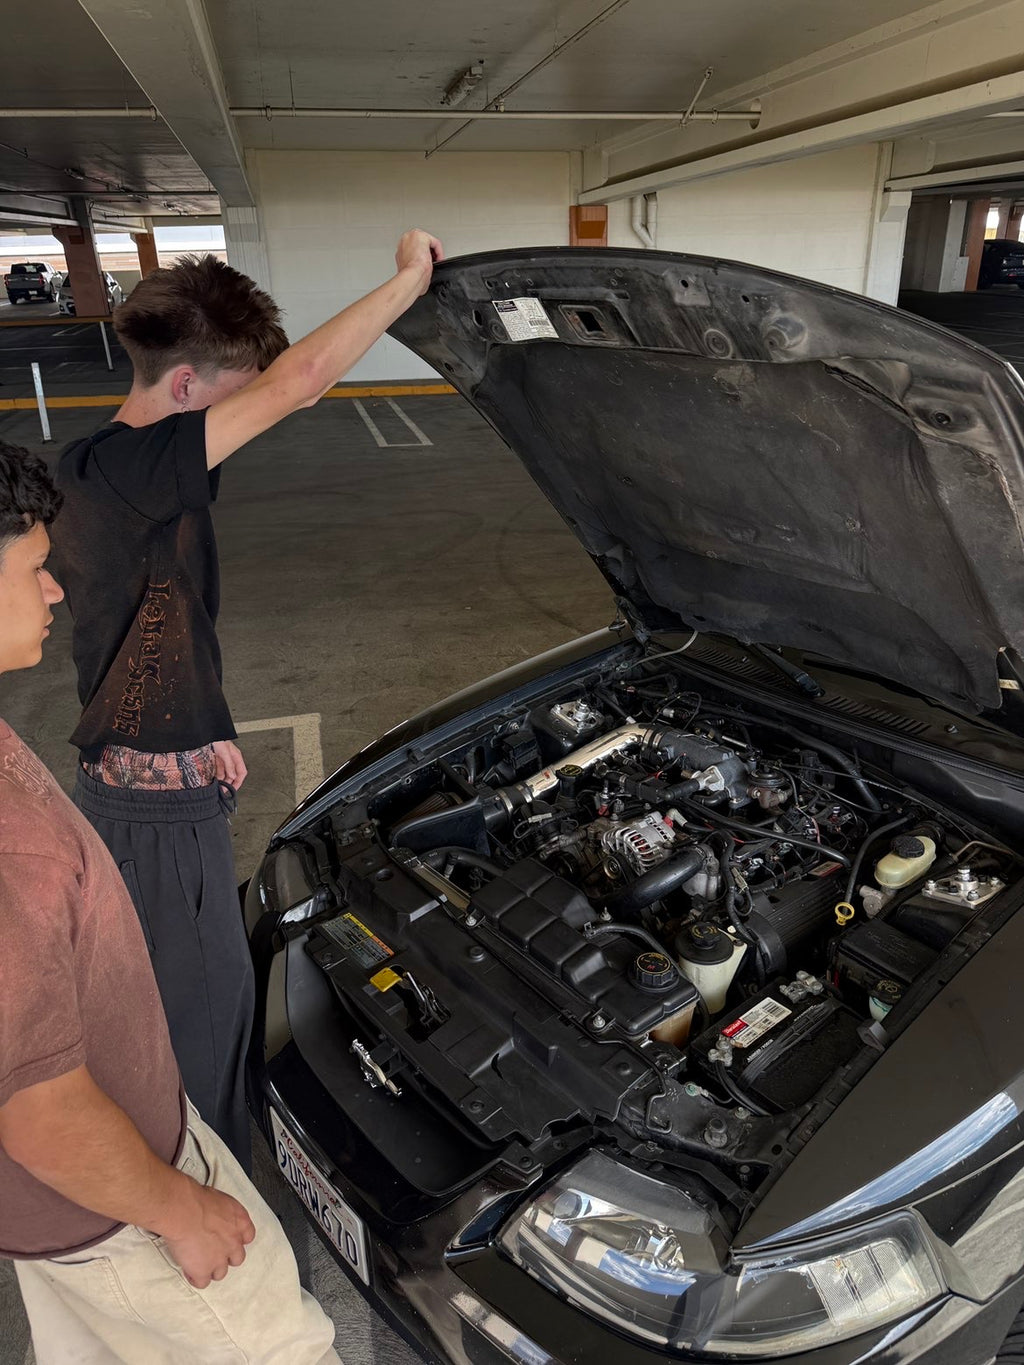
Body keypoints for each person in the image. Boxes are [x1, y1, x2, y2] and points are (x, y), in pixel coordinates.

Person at [53, 228, 443, 1169]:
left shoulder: (110, 465)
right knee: (206, 1025)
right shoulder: (133, 473)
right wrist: (411, 279)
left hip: (156, 775)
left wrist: (211, 726)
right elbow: (301, 382)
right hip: (154, 812)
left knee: (204, 1001)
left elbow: (164, 623)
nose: (248, 415)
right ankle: (220, 1197)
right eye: (235, 396)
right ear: (186, 386)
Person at [0, 439, 339, 1363]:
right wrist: (183, 1209)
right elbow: (40, 1111)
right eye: (34, 568)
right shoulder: (10, 851)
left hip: (60, 1216)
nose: (56, 590)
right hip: (119, 1218)